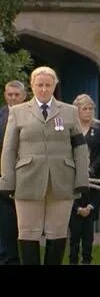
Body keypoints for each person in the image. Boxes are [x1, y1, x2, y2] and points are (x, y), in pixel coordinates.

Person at [0, 66, 89, 265]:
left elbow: (80, 148)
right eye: (39, 85)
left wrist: (81, 179)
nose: (43, 89)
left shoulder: (69, 112)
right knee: (28, 232)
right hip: (27, 180)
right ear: (32, 86)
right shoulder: (18, 112)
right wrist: (6, 181)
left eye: (48, 85)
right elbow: (9, 149)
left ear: (54, 86)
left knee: (57, 232)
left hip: (62, 180)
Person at [68, 94, 100, 264]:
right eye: (85, 108)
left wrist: (92, 168)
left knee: (88, 226)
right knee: (75, 226)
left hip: (94, 179)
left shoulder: (99, 129)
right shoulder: (70, 128)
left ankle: (87, 259)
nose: (88, 111)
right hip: (73, 179)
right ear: (76, 110)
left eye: (91, 108)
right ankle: (73, 258)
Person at [0, 80, 27, 265]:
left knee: (24, 222)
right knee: (5, 220)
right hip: (2, 176)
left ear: (24, 96)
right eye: (10, 94)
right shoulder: (1, 115)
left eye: (17, 95)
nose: (13, 98)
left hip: (26, 176)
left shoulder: (31, 115)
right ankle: (7, 257)